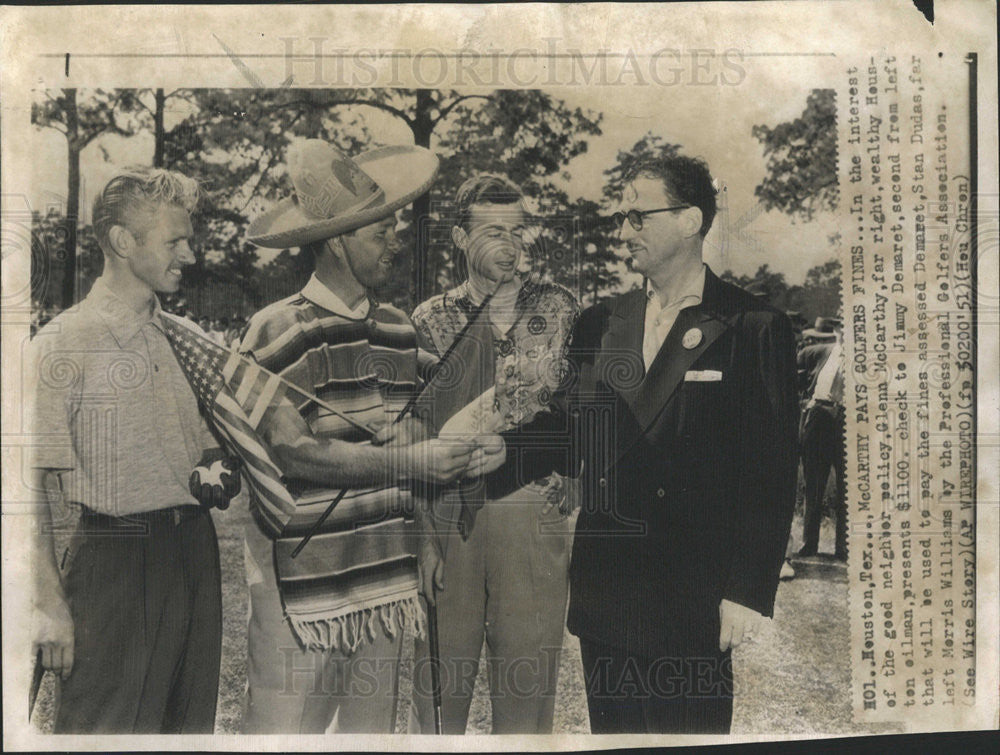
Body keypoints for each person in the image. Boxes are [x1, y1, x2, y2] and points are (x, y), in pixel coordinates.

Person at [493, 154, 800, 733]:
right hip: (607, 593)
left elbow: (772, 471)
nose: (623, 231)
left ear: (690, 221)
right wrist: (492, 457)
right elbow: (573, 429)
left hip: (694, 597)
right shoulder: (601, 321)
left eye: (638, 218)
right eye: (622, 218)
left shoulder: (753, 326)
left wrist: (747, 590)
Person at [237, 139, 503, 734]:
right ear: (337, 240)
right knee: (284, 734)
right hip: (303, 587)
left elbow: (406, 436)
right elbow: (294, 453)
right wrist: (411, 465)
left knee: (369, 737)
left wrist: (427, 538)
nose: (394, 243)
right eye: (379, 233)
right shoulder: (276, 329)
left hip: (386, 580)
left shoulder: (397, 329)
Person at [28, 167, 241, 733]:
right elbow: (21, 488)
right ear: (124, 242)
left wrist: (220, 467)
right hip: (115, 562)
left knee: (185, 730)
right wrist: (46, 601)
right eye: (175, 241)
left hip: (194, 554)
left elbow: (207, 456)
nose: (189, 256)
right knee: (105, 731)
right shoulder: (61, 343)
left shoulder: (184, 339)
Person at [408, 175, 580, 734]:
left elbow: (582, 415)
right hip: (449, 510)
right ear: (459, 237)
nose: (508, 244)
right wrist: (422, 536)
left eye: (516, 230)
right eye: (491, 231)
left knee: (526, 696)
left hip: (534, 512)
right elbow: (413, 434)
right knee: (438, 693)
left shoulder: (560, 309)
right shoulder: (427, 320)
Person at [796, 319, 847, 560]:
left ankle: (843, 548)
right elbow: (794, 376)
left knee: (848, 488)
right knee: (814, 482)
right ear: (836, 332)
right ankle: (809, 544)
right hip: (818, 415)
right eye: (843, 329)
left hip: (848, 420)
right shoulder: (818, 352)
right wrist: (805, 401)